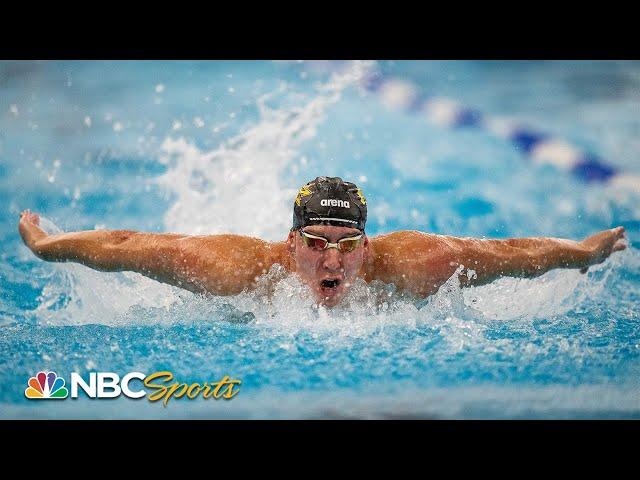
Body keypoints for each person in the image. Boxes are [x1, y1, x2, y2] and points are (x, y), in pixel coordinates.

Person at [18, 176, 627, 307]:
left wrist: (581, 253)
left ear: (368, 243)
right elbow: (134, 244)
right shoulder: (237, 269)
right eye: (315, 242)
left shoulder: (415, 264)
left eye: (346, 243)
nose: (331, 258)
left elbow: (509, 254)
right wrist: (55, 246)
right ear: (290, 243)